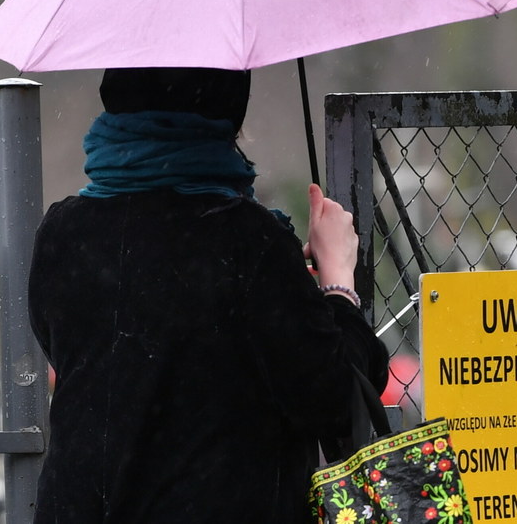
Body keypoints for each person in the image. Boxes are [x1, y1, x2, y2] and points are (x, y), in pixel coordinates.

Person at [27, 66, 389, 523]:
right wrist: (336, 282)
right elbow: (336, 401)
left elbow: (93, 353)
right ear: (225, 109)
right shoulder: (247, 240)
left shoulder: (62, 232)